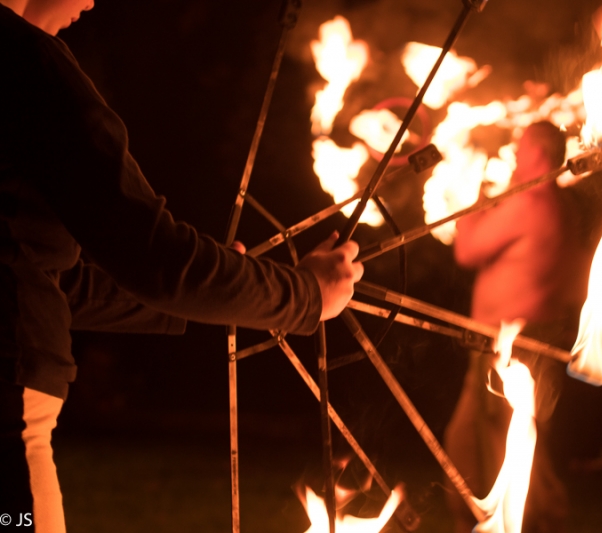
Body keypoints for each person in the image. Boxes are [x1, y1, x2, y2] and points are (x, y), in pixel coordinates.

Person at [0, 1, 363, 531]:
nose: (90, 1)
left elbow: (50, 277)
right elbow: (153, 256)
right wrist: (304, 295)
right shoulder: (28, 66)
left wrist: (220, 295)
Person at [444, 122, 587, 533]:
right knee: (474, 444)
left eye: (521, 148)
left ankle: (545, 522)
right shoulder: (558, 203)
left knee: (515, 447)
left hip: (511, 349)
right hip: (515, 344)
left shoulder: (532, 202)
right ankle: (481, 523)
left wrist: (469, 201)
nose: (514, 155)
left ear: (539, 153)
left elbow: (468, 250)